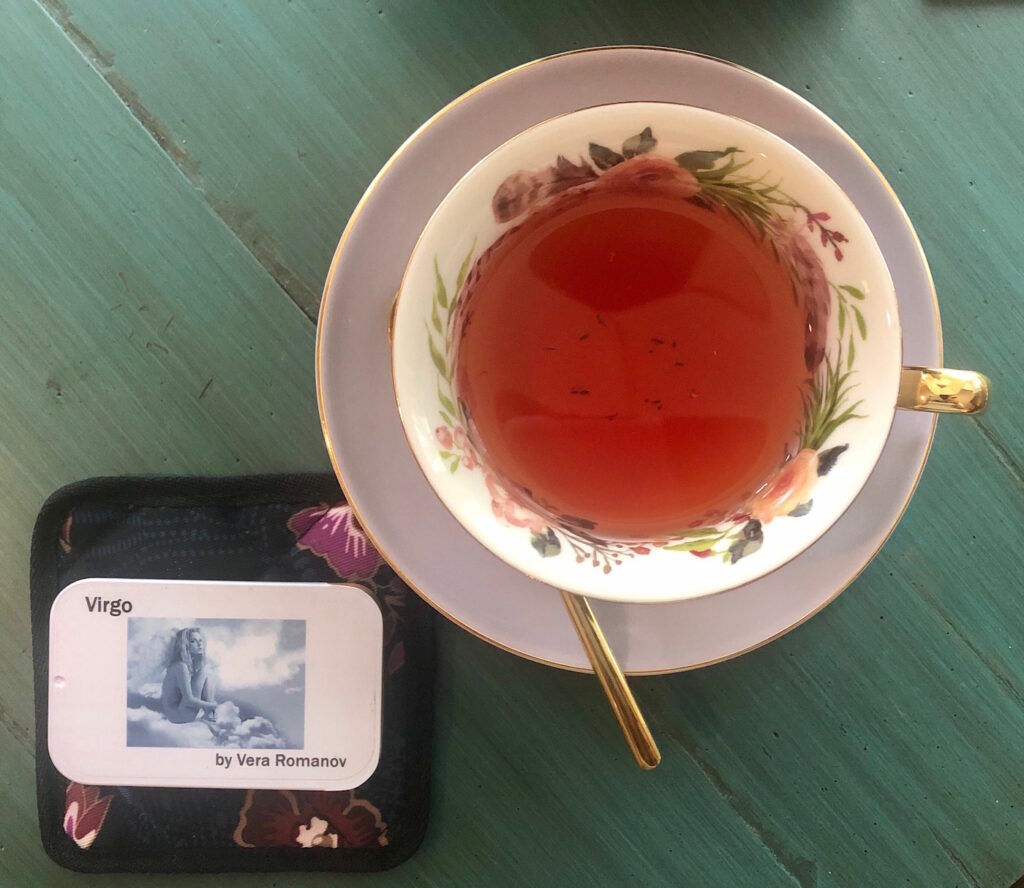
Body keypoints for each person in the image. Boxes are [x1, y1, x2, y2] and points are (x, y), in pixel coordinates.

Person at [160, 627, 219, 724]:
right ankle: (209, 715)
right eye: (193, 641)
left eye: (200, 641)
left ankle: (209, 715)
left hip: (180, 713)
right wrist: (212, 705)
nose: (199, 644)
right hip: (179, 715)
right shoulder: (181, 666)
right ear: (185, 645)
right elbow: (188, 700)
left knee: (206, 673)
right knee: (206, 672)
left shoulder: (187, 665)